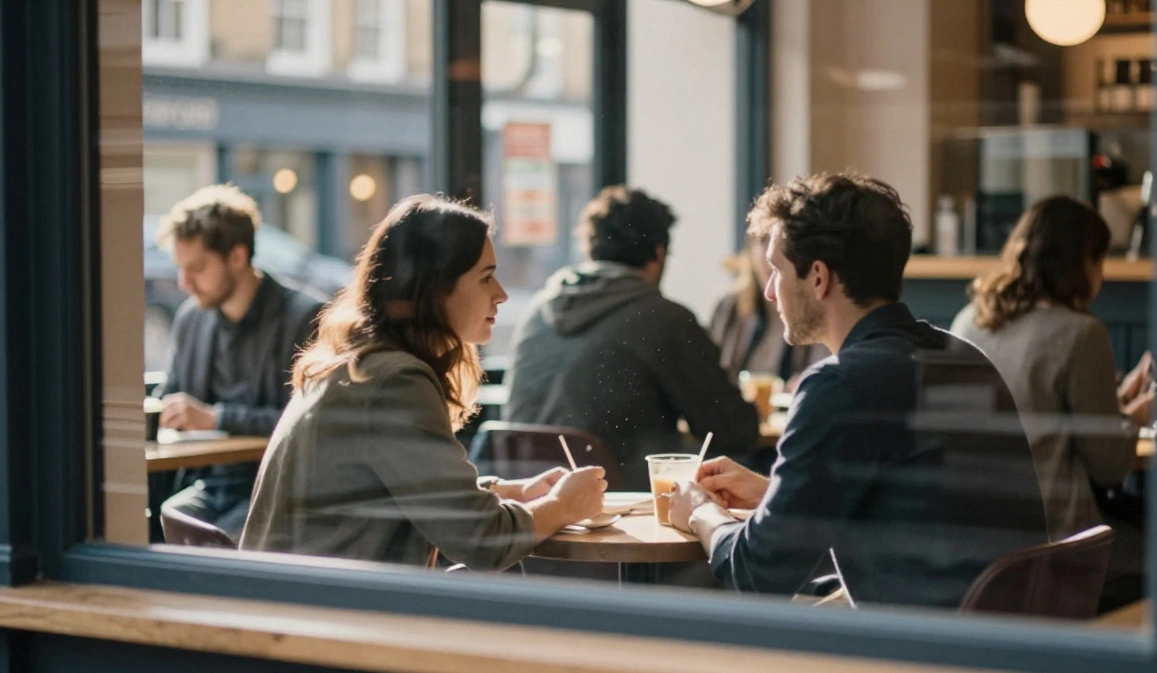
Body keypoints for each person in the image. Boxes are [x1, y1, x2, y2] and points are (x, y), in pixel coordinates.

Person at [668, 172, 1047, 607]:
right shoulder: (959, 355)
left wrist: (700, 511)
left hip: (920, 656)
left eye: (776, 269)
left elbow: (757, 571)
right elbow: (913, 512)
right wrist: (773, 496)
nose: (770, 291)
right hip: (1006, 640)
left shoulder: (840, 384)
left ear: (817, 277)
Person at [240, 195, 606, 570]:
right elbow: (482, 539)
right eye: (485, 278)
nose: (501, 294)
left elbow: (395, 491)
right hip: (332, 615)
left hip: (296, 599)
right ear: (433, 288)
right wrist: (563, 506)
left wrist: (509, 491)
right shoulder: (392, 381)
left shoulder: (358, 366)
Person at [949, 195, 1153, 605]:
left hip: (976, 541)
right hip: (1057, 543)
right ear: (1082, 265)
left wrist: (1114, 407)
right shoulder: (1080, 333)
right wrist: (1136, 416)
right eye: (1100, 262)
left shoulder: (967, 322)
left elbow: (1033, 413)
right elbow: (1109, 465)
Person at [503, 186, 759, 491]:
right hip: (624, 508)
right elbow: (734, 431)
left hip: (531, 503)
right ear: (659, 253)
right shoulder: (665, 319)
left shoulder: (538, 310)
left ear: (591, 249)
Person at [156, 184, 326, 539]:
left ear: (237, 256)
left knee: (215, 539)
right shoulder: (192, 319)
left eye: (197, 268)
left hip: (277, 490)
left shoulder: (304, 317)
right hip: (208, 485)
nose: (185, 283)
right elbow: (170, 393)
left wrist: (215, 417)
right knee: (162, 523)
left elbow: (308, 423)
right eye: (181, 268)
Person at [708, 231, 828, 385]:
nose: (770, 253)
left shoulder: (819, 308)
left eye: (782, 241)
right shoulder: (730, 307)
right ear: (750, 248)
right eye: (763, 239)